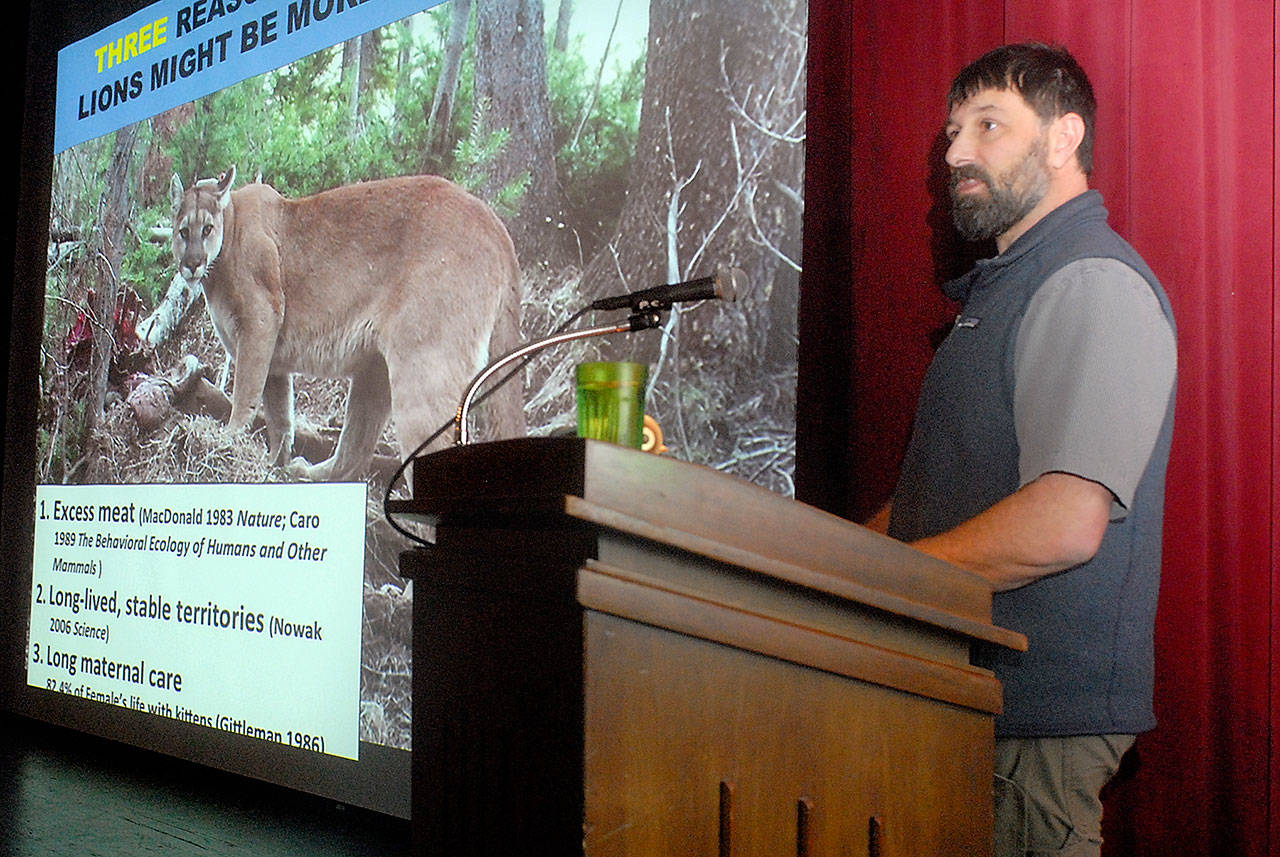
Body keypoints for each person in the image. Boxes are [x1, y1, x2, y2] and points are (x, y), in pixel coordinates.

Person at [866, 43, 1177, 857]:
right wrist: (822, 561)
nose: (955, 152)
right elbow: (938, 503)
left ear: (1063, 138)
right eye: (951, 132)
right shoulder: (1012, 286)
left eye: (988, 126)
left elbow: (1064, 522)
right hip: (968, 703)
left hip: (1031, 725)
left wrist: (879, 583)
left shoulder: (1090, 282)